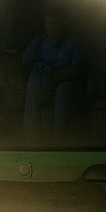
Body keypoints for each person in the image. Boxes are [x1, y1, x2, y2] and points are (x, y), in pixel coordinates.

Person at [22, 11, 83, 145]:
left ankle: (59, 140)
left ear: (62, 23)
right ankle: (31, 141)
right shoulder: (39, 42)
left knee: (62, 91)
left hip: (62, 85)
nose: (49, 27)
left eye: (52, 23)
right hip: (41, 83)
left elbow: (77, 70)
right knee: (34, 81)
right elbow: (25, 60)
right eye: (47, 23)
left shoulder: (72, 44)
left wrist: (57, 77)